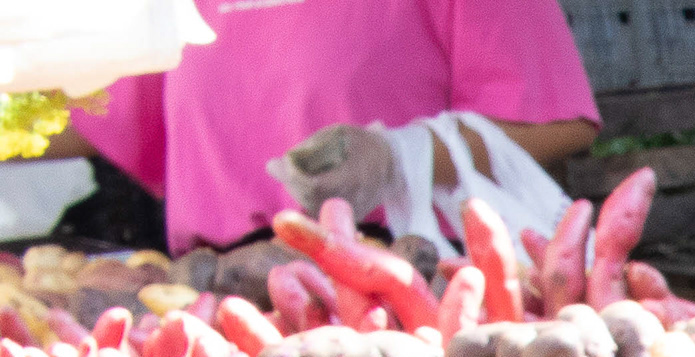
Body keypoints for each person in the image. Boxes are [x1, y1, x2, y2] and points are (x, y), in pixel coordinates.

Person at [54, 0, 597, 254]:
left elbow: (557, 119)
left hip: (408, 286)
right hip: (217, 294)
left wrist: (397, 157)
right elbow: (94, 111)